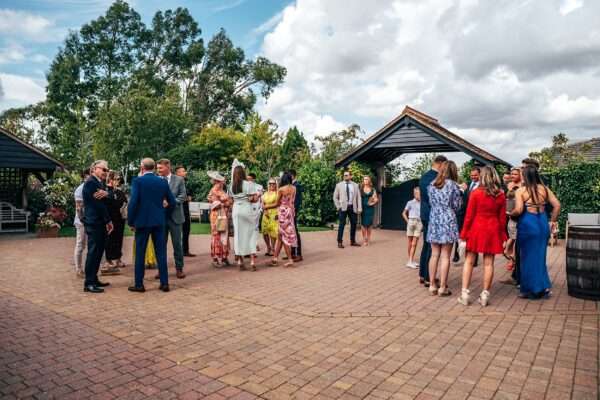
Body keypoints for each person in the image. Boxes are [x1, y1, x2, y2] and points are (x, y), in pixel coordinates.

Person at [457, 166, 507, 306]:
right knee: (489, 263)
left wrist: (463, 234)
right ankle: (485, 295)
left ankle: (465, 294)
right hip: (493, 229)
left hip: (476, 228)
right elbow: (502, 218)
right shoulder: (500, 194)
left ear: (482, 177)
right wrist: (503, 235)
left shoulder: (476, 193)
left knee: (469, 261)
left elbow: (469, 216)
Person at [511, 165, 561, 299]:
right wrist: (552, 221)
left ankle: (530, 289)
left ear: (525, 176)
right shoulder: (545, 189)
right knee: (540, 256)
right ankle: (542, 287)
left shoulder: (521, 190)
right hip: (542, 222)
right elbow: (557, 205)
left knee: (526, 257)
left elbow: (519, 210)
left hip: (528, 224)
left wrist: (510, 213)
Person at [128, 158, 176, 293]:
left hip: (142, 222)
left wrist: (131, 221)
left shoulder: (138, 181)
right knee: (161, 253)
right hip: (159, 221)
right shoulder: (162, 182)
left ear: (142, 167)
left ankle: (139, 284)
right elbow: (172, 202)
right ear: (154, 167)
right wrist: (164, 215)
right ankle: (164, 283)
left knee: (140, 253)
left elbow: (133, 203)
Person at [426, 160, 462, 297]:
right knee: (446, 255)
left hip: (434, 219)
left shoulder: (431, 185)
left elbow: (430, 202)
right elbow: (457, 206)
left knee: (434, 254)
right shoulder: (453, 186)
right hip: (448, 219)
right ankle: (442, 287)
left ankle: (432, 286)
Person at [81, 160, 114, 293]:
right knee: (93, 252)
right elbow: (98, 204)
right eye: (104, 169)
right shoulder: (91, 183)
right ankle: (88, 283)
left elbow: (108, 199)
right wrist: (108, 221)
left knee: (99, 252)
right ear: (94, 169)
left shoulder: (99, 183)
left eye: (107, 170)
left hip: (99, 222)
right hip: (94, 222)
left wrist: (108, 194)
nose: (106, 172)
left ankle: (94, 279)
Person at [418, 155, 448, 286]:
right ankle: (429, 277)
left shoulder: (424, 176)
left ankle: (422, 274)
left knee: (426, 244)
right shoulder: (435, 178)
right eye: (444, 166)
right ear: (440, 164)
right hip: (433, 215)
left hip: (424, 214)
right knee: (432, 247)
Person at [157, 159, 187, 279]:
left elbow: (183, 196)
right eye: (157, 168)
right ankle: (161, 270)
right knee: (160, 245)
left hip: (175, 217)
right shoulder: (156, 180)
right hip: (160, 218)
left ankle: (179, 269)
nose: (158, 170)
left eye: (160, 168)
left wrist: (170, 203)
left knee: (177, 245)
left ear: (168, 167)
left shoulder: (179, 180)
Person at [230, 164, 260, 270]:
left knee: (238, 235)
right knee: (250, 234)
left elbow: (231, 200)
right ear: (243, 173)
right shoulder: (248, 184)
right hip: (246, 209)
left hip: (236, 210)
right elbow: (253, 199)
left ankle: (240, 261)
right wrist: (258, 195)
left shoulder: (231, 186)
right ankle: (252, 262)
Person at [455, 166, 481, 264]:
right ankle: (456, 255)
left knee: (474, 236)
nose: (473, 177)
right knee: (459, 234)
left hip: (475, 215)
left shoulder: (482, 186)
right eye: (471, 175)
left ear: (480, 175)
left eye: (475, 175)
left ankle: (474, 259)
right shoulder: (467, 184)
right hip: (463, 213)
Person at [271, 172, 297, 267]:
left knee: (284, 237)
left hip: (282, 213)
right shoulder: (294, 188)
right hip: (290, 213)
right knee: (280, 236)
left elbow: (277, 203)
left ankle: (290, 259)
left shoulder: (281, 189)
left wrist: (267, 206)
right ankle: (275, 258)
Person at [102, 171, 127, 274]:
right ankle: (108, 260)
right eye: (116, 179)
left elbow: (125, 201)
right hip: (109, 219)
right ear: (110, 179)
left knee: (119, 238)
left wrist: (123, 207)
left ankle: (118, 258)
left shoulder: (119, 191)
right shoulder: (105, 190)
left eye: (119, 179)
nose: (118, 181)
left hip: (120, 219)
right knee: (109, 239)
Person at [207, 171, 231, 268]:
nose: (220, 183)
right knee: (216, 235)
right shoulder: (213, 191)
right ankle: (216, 258)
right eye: (218, 182)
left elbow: (229, 202)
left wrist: (227, 203)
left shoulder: (222, 191)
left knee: (224, 235)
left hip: (224, 214)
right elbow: (214, 204)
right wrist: (224, 203)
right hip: (216, 215)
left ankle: (224, 256)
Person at [333, 170, 362, 248]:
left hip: (353, 207)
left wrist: (359, 208)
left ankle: (352, 241)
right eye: (344, 175)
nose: (345, 176)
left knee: (354, 224)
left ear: (350, 176)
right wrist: (338, 206)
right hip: (342, 208)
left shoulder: (355, 185)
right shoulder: (339, 185)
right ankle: (339, 242)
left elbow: (358, 197)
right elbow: (335, 197)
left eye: (347, 175)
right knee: (341, 225)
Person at [73, 168, 90, 278]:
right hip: (82, 222)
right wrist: (83, 221)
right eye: (89, 175)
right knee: (80, 245)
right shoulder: (80, 190)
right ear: (85, 176)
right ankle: (78, 269)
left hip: (91, 220)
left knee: (90, 245)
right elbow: (79, 208)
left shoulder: (92, 187)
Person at [175, 166, 195, 257]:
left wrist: (189, 197)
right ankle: (178, 251)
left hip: (186, 210)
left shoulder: (185, 183)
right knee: (177, 232)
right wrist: (184, 198)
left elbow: (189, 195)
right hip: (178, 210)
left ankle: (185, 250)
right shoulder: (174, 183)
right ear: (177, 173)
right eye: (183, 171)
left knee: (186, 230)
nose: (185, 172)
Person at [402, 186, 422, 269]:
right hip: (411, 221)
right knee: (410, 242)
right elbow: (403, 213)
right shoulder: (410, 202)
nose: (417, 195)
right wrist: (408, 221)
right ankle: (410, 260)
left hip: (419, 222)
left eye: (418, 193)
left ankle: (410, 261)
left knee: (414, 242)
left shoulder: (423, 203)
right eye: (415, 193)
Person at [261, 178, 279, 256]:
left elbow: (279, 204)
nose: (271, 185)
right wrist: (265, 210)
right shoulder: (265, 193)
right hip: (266, 214)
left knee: (273, 232)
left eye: (273, 183)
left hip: (274, 213)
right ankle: (268, 247)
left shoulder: (278, 193)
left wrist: (278, 213)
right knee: (264, 231)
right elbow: (262, 203)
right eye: (270, 183)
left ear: (276, 184)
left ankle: (273, 248)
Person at [360, 175, 378, 246]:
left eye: (367, 179)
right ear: (363, 181)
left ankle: (369, 238)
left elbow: (376, 199)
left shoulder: (373, 189)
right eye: (364, 179)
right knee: (363, 224)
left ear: (369, 181)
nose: (365, 180)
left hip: (370, 209)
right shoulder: (360, 189)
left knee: (370, 224)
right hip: (363, 208)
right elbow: (358, 199)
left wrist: (372, 203)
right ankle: (364, 239)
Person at [290, 169, 304, 261]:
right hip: (289, 212)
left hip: (293, 212)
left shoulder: (297, 186)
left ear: (292, 176)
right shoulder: (291, 186)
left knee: (295, 232)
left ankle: (298, 254)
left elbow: (298, 201)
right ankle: (292, 253)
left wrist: (294, 210)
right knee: (291, 232)